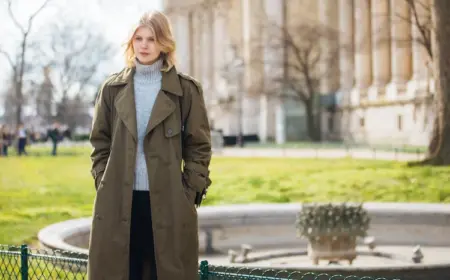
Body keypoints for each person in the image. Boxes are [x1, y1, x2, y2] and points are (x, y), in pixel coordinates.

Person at [88, 10, 212, 280]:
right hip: (119, 201)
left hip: (169, 200)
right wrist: (103, 180)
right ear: (131, 42)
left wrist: (188, 191)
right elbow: (100, 143)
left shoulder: (186, 90)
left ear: (164, 44)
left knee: (165, 272)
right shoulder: (111, 89)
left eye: (152, 39)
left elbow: (199, 146)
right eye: (139, 38)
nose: (144, 45)